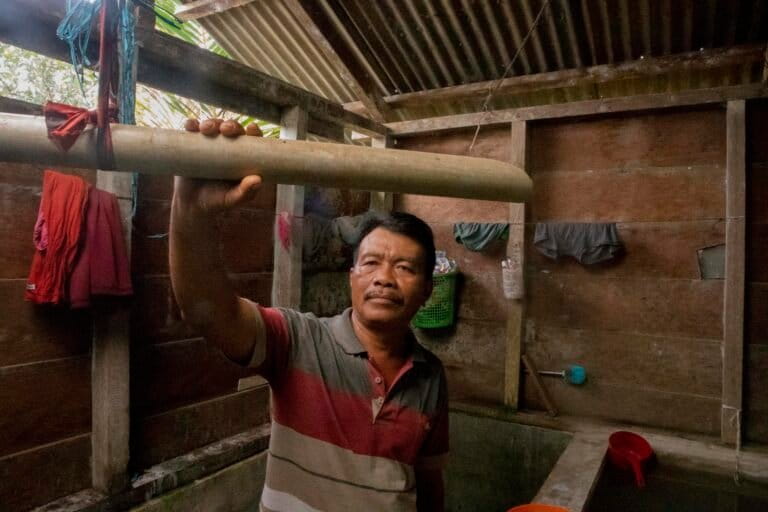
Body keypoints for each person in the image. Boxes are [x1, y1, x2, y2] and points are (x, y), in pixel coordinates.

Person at [169, 120, 449, 511]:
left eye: (404, 268)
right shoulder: (298, 340)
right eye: (370, 263)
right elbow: (206, 311)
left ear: (427, 291)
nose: (384, 278)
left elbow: (429, 483)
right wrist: (191, 213)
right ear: (351, 277)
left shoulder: (430, 376)